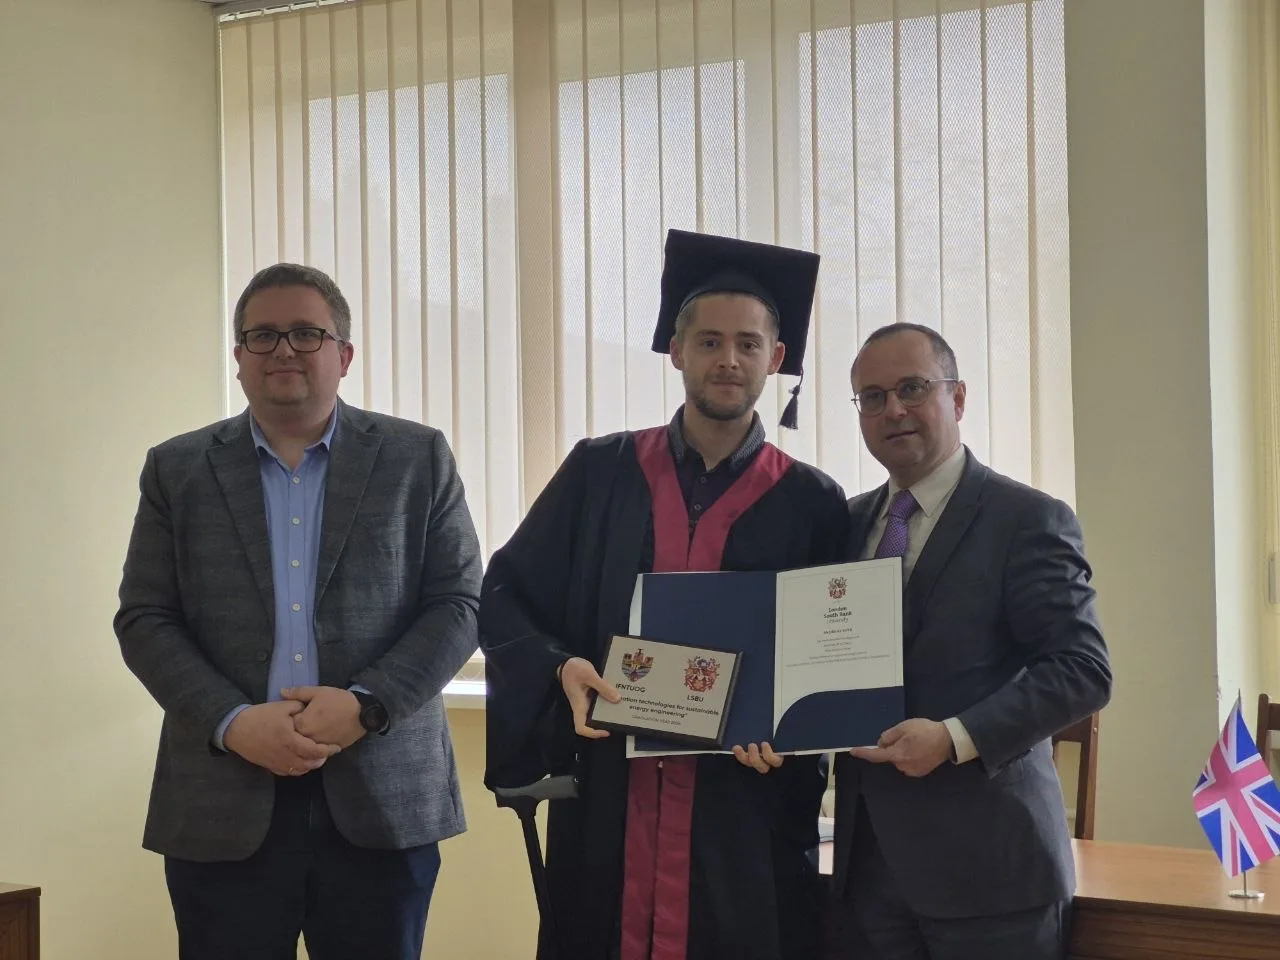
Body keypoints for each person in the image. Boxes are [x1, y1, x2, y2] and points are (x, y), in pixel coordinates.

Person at [481, 229, 850, 960]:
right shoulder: (599, 472)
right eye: (709, 341)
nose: (728, 359)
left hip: (740, 807)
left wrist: (788, 730)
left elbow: (828, 659)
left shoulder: (812, 502)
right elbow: (504, 594)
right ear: (676, 351)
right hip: (612, 796)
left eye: (748, 344)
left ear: (776, 358)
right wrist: (560, 667)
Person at [114, 263, 483, 960]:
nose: (283, 349)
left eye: (307, 334)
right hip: (221, 799)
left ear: (344, 354)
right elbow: (145, 618)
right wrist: (231, 720)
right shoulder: (177, 468)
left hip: (381, 795)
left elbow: (459, 603)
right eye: (263, 335)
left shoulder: (417, 457)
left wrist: (366, 705)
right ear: (239, 357)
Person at [825, 322, 1112, 959]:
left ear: (956, 398)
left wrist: (956, 737)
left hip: (992, 876)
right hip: (867, 874)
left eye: (912, 388)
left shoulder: (1028, 519)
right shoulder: (845, 524)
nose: (893, 409)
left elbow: (1082, 669)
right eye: (873, 397)